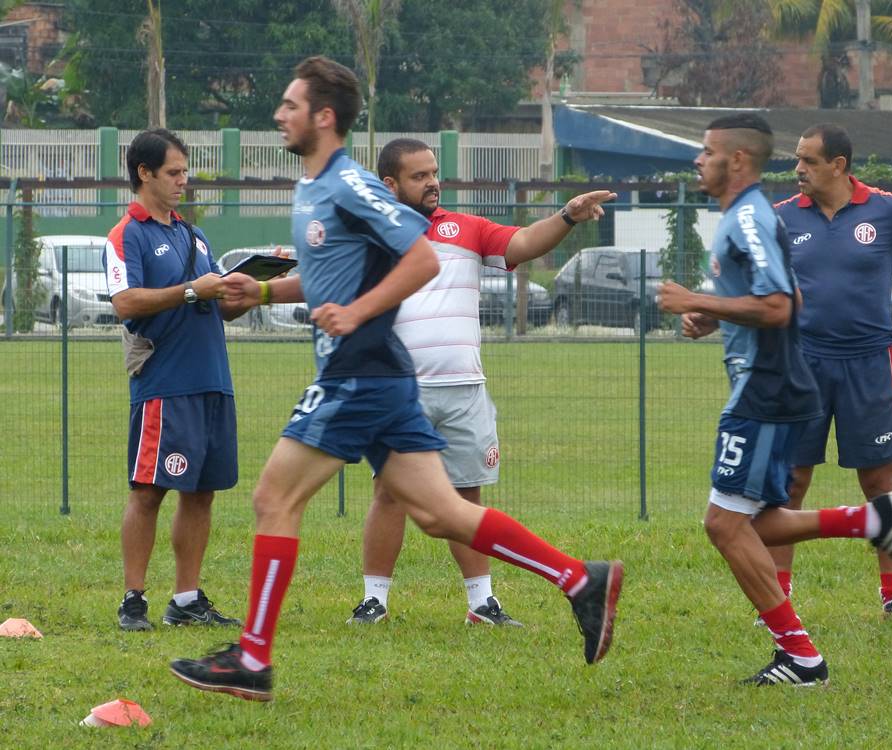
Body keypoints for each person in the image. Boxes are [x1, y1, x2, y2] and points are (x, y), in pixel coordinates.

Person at [169, 56, 623, 702]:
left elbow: (421, 260)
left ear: (323, 117)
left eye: (291, 105)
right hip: (386, 378)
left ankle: (252, 657)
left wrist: (355, 313)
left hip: (358, 373)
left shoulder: (348, 186)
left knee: (275, 499)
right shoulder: (316, 185)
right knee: (442, 514)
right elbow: (340, 274)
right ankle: (581, 580)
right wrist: (266, 290)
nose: (280, 114)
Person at [657, 113, 892, 686]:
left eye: (707, 152)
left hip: (765, 386)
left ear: (738, 160)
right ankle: (867, 521)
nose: (698, 161)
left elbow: (777, 307)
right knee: (754, 519)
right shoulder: (766, 218)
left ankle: (802, 656)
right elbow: (794, 296)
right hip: (775, 379)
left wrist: (694, 299)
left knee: (726, 525)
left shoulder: (749, 219)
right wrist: (715, 314)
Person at [346, 137, 616, 627]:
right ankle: (374, 602)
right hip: (401, 392)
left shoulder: (465, 228)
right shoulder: (372, 235)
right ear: (390, 184)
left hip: (466, 388)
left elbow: (523, 243)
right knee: (389, 493)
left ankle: (481, 605)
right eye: (419, 176)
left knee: (466, 496)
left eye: (434, 173)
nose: (433, 182)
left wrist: (568, 216)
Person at [771, 124, 892, 625]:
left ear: (838, 165)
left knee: (879, 482)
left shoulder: (888, 208)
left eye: (809, 161)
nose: (799, 170)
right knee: (789, 482)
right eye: (797, 160)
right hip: (803, 365)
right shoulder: (782, 218)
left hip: (868, 364)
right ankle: (777, 599)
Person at [104, 129, 255, 631]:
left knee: (202, 492)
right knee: (149, 490)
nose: (183, 182)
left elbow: (214, 306)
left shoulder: (194, 235)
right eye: (173, 172)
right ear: (144, 173)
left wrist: (244, 290)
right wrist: (193, 289)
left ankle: (187, 599)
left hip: (213, 380)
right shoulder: (128, 234)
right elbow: (126, 304)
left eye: (185, 172)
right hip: (165, 387)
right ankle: (133, 600)